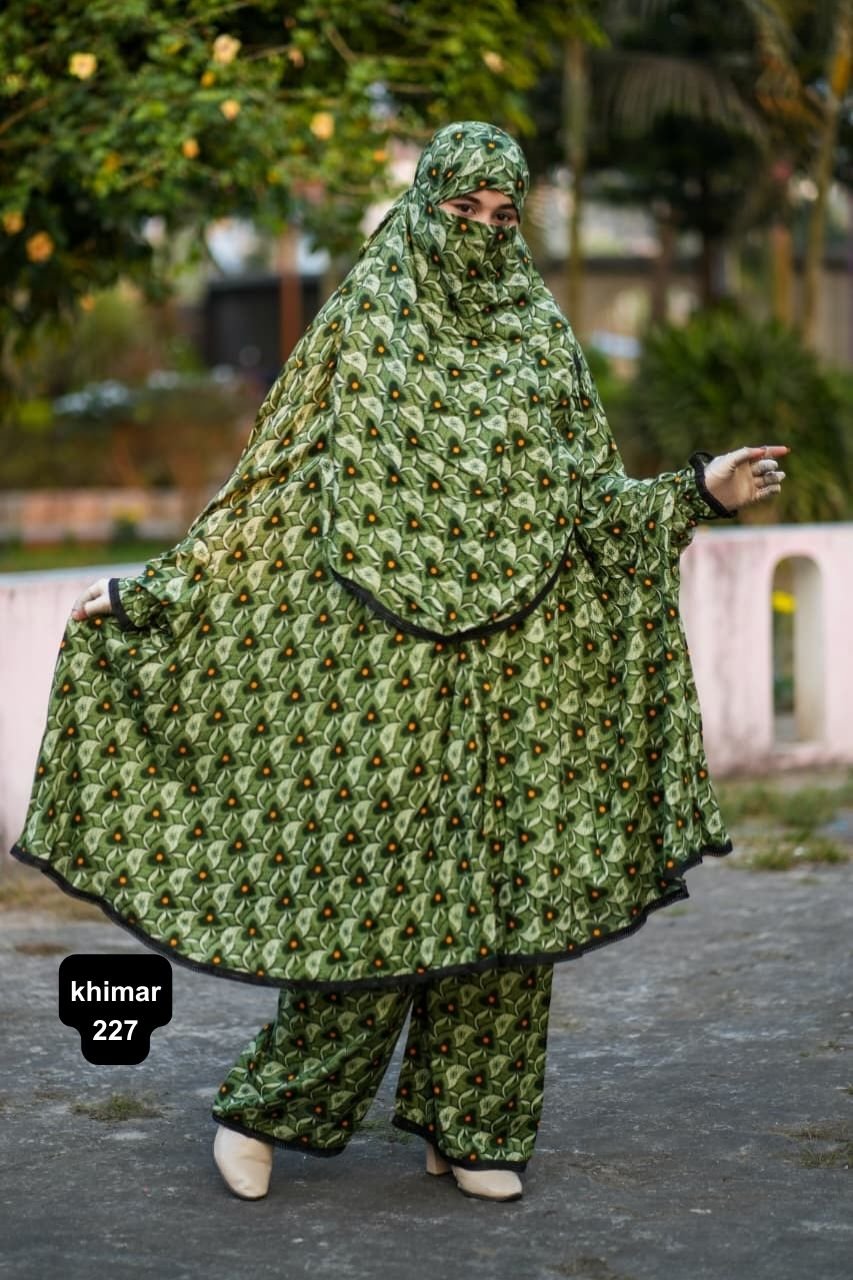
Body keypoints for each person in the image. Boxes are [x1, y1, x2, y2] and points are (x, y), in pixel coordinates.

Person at [11, 120, 788, 1204]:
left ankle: (475, 1123)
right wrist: (164, 592)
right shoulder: (366, 320)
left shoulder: (538, 337)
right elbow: (272, 488)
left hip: (519, 671)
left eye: (502, 215)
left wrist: (701, 491)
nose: (480, 231)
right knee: (378, 902)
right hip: (384, 672)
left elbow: (592, 511)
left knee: (511, 908)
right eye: (461, 208)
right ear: (422, 207)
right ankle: (271, 1107)